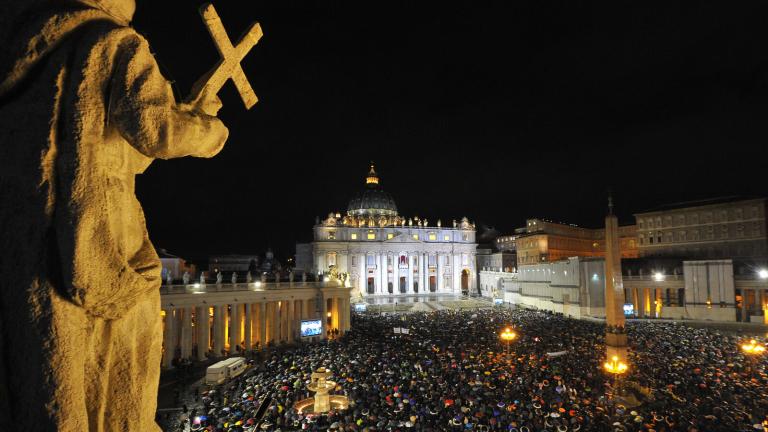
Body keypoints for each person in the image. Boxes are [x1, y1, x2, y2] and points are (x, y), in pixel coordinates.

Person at [0, 0, 228, 430]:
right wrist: (207, 130)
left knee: (41, 367)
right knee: (110, 361)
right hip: (91, 234)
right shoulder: (112, 40)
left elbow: (125, 149)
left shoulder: (17, 43)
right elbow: (155, 131)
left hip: (21, 229)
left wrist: (184, 109)